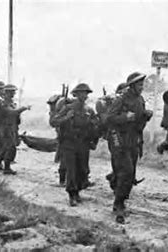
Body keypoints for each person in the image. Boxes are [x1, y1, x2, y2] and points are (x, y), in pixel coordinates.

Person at [106, 72, 153, 223]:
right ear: (132, 86)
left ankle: (118, 189)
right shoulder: (121, 99)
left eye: (142, 85)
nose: (142, 87)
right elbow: (109, 119)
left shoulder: (140, 100)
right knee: (127, 171)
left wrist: (145, 116)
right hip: (119, 139)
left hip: (133, 140)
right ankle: (118, 203)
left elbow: (139, 123)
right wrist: (124, 118)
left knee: (129, 174)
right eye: (139, 85)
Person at [50, 83, 99, 207]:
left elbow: (95, 127)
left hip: (83, 144)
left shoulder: (89, 110)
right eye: (81, 93)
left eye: (86, 93)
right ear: (76, 95)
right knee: (71, 170)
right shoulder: (67, 108)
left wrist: (94, 140)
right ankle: (72, 194)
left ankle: (77, 191)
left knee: (82, 170)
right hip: (69, 143)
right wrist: (66, 117)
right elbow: (54, 121)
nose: (84, 95)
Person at [0, 84, 30, 174]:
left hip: (11, 127)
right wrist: (23, 108)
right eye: (11, 92)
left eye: (13, 91)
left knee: (6, 147)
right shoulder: (3, 103)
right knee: (10, 148)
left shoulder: (11, 102)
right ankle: (7, 168)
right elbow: (11, 113)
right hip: (5, 128)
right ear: (6, 92)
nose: (13, 93)